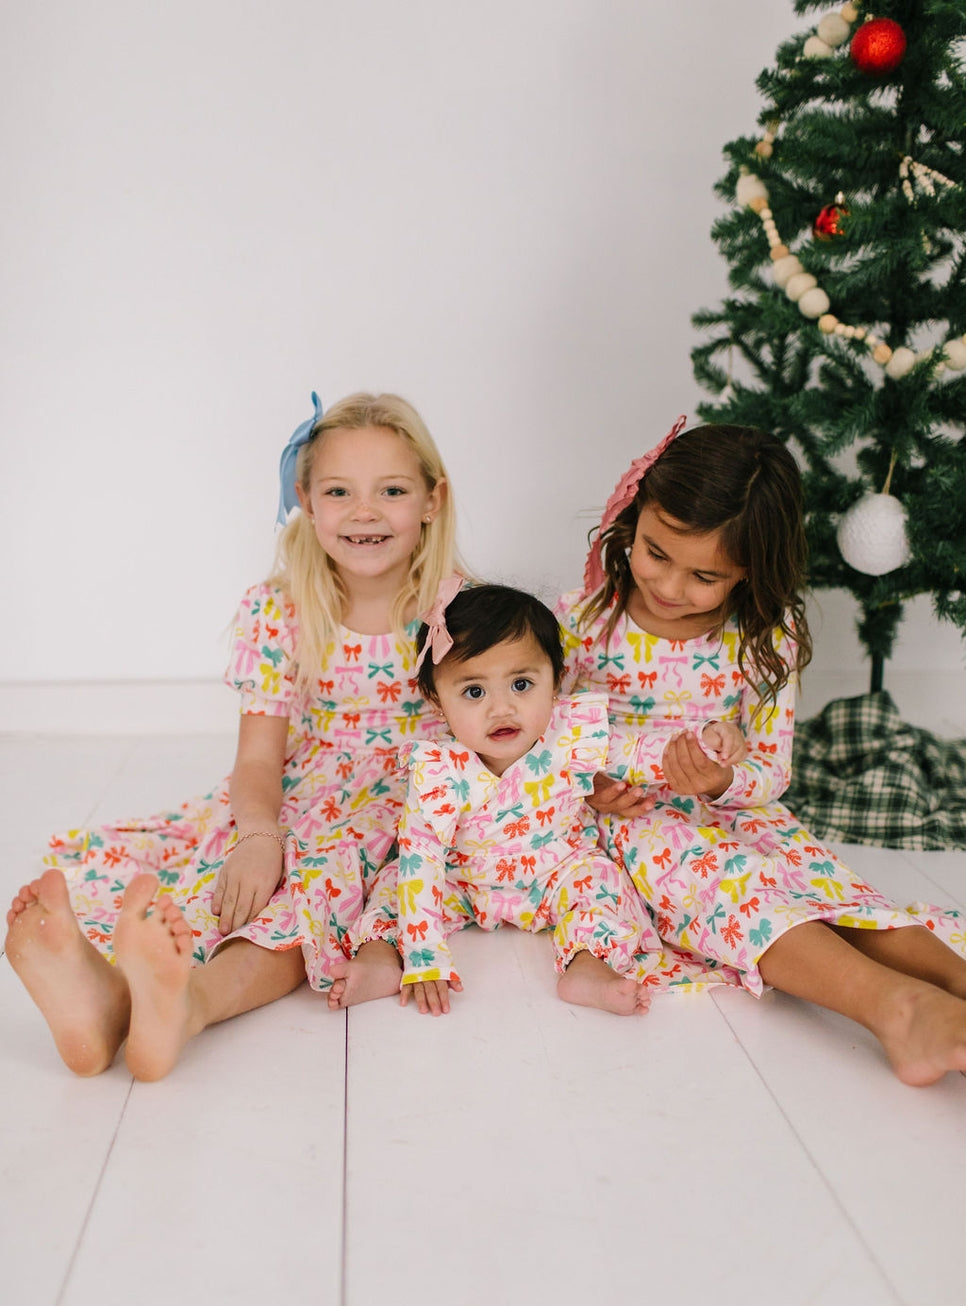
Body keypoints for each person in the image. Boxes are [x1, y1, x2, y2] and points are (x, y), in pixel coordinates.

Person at [5, 391, 465, 1080]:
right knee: (228, 887)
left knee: (315, 895)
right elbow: (257, 758)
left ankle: (191, 1004)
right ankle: (109, 997)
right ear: (307, 503)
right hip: (303, 792)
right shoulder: (282, 610)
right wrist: (258, 835)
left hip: (408, 811)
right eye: (339, 491)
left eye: (391, 491)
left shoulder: (459, 613)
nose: (364, 511)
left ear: (432, 500)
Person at [556, 419, 966, 1086]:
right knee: (734, 889)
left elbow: (771, 770)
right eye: (656, 553)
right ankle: (897, 1008)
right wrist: (598, 784)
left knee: (822, 883)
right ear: (634, 515)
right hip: (634, 823)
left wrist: (721, 781)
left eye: (705, 575)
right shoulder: (582, 622)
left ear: (749, 571)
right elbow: (546, 738)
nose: (670, 586)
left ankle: (954, 980)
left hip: (738, 810)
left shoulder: (767, 636)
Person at [345, 581, 677, 1017]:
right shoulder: (438, 771)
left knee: (601, 884)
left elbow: (636, 755)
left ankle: (588, 967)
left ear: (556, 680)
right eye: (475, 692)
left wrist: (700, 748)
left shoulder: (570, 734)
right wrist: (425, 956)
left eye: (521, 684)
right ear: (436, 700)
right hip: (462, 880)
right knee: (395, 886)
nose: (501, 708)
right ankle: (380, 958)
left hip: (558, 870)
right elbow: (422, 861)